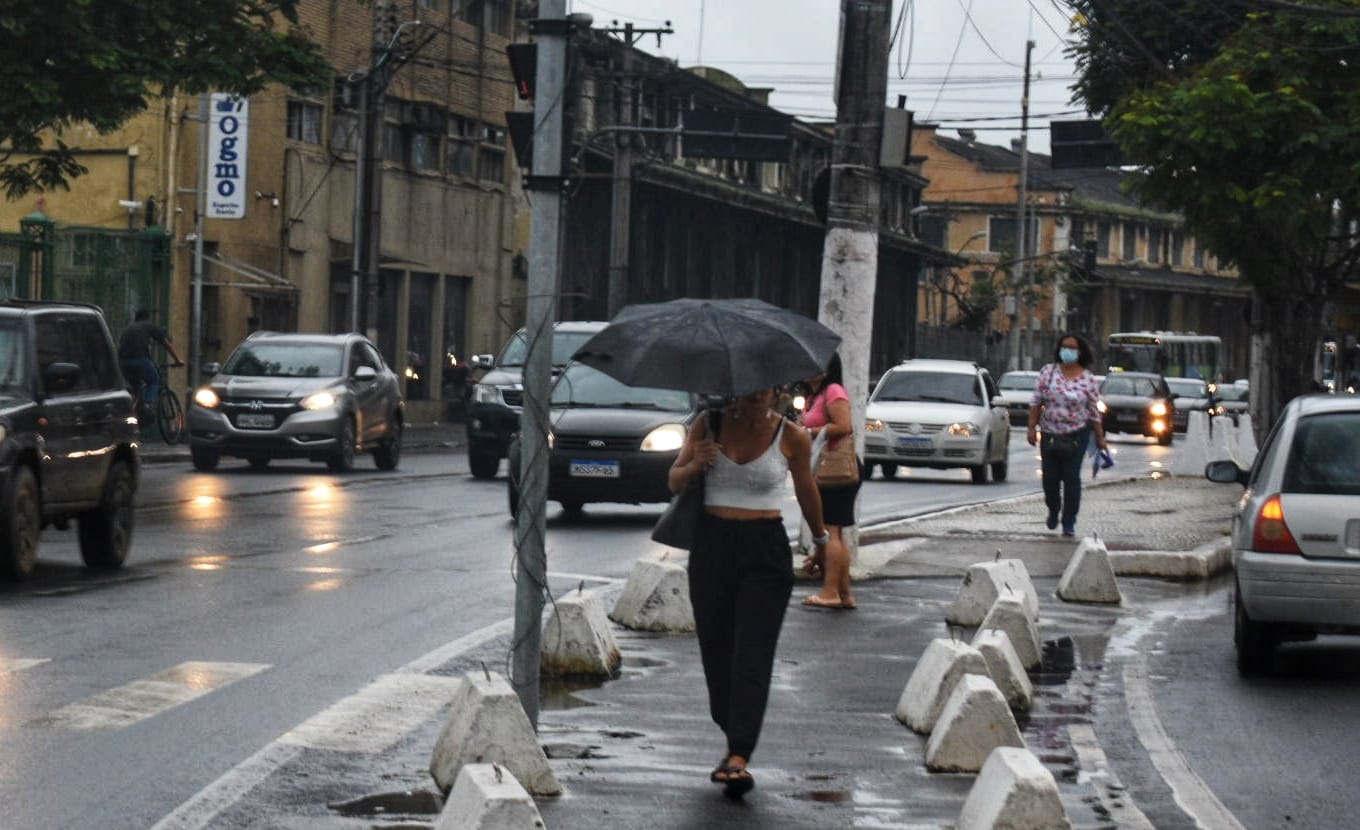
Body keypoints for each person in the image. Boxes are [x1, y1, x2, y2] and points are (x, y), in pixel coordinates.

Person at [668, 385, 829, 799]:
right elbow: (673, 479)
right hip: (712, 546)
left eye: (765, 391)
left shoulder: (791, 435)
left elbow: (807, 489)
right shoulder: (709, 424)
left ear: (777, 393)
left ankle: (739, 754)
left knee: (752, 654)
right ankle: (732, 730)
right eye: (749, 390)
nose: (756, 397)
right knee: (716, 653)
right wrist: (695, 465)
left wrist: (822, 542)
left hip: (765, 551)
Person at [1027, 333, 1108, 537]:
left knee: (1072, 478)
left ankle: (1069, 520)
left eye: (1072, 348)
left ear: (1080, 352)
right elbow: (1036, 401)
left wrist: (1100, 437)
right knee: (1050, 479)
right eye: (1064, 347)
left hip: (1077, 435)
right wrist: (1031, 428)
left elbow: (1093, 410)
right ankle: (1053, 509)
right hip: (1049, 433)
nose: (1067, 351)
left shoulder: (1088, 379)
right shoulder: (1048, 372)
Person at [798, 352, 860, 609]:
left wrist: (807, 432)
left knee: (830, 531)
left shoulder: (833, 391)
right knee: (836, 533)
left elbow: (844, 425)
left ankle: (830, 592)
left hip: (836, 470)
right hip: (826, 469)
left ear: (827, 369)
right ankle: (844, 594)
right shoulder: (813, 397)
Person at [118, 309, 184, 415]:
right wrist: (177, 360)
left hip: (123, 362)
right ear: (147, 318)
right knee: (154, 381)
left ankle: (133, 411)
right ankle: (148, 405)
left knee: (136, 388)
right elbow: (166, 344)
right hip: (140, 360)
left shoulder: (128, 329)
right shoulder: (149, 326)